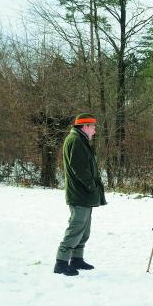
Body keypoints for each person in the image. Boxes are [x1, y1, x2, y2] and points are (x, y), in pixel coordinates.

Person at [54, 113, 106, 276]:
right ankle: (61, 262)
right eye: (93, 127)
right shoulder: (75, 140)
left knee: (84, 228)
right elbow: (80, 169)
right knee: (76, 227)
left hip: (84, 193)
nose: (95, 130)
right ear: (85, 127)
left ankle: (76, 259)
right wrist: (91, 185)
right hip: (80, 193)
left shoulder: (80, 140)